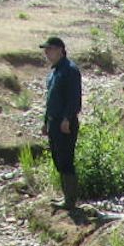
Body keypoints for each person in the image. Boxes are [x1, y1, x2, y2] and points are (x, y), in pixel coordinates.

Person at [42, 34, 82, 213]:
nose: (46, 53)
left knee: (66, 160)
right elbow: (50, 100)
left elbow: (74, 99)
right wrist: (45, 122)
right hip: (53, 122)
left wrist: (67, 118)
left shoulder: (70, 70)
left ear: (60, 50)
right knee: (58, 159)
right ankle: (66, 196)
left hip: (65, 123)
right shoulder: (55, 72)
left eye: (49, 49)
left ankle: (70, 201)